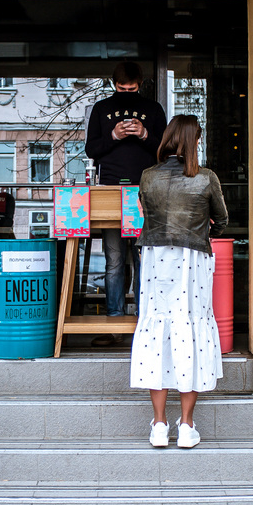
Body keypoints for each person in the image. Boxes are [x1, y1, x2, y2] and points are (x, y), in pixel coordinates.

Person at [130, 115, 228, 449]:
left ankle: (159, 425)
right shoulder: (206, 177)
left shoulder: (148, 176)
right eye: (198, 139)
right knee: (190, 330)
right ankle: (186, 425)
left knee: (156, 332)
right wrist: (203, 230)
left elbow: (147, 213)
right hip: (192, 261)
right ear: (193, 141)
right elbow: (222, 220)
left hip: (155, 259)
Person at [84, 61, 167, 345]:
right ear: (114, 85)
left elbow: (165, 151)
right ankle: (114, 325)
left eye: (131, 90)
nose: (127, 94)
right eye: (122, 89)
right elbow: (91, 149)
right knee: (114, 261)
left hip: (146, 191)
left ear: (140, 85)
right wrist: (114, 135)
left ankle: (146, 325)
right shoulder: (101, 108)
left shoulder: (153, 109)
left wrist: (144, 134)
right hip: (110, 191)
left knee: (145, 261)